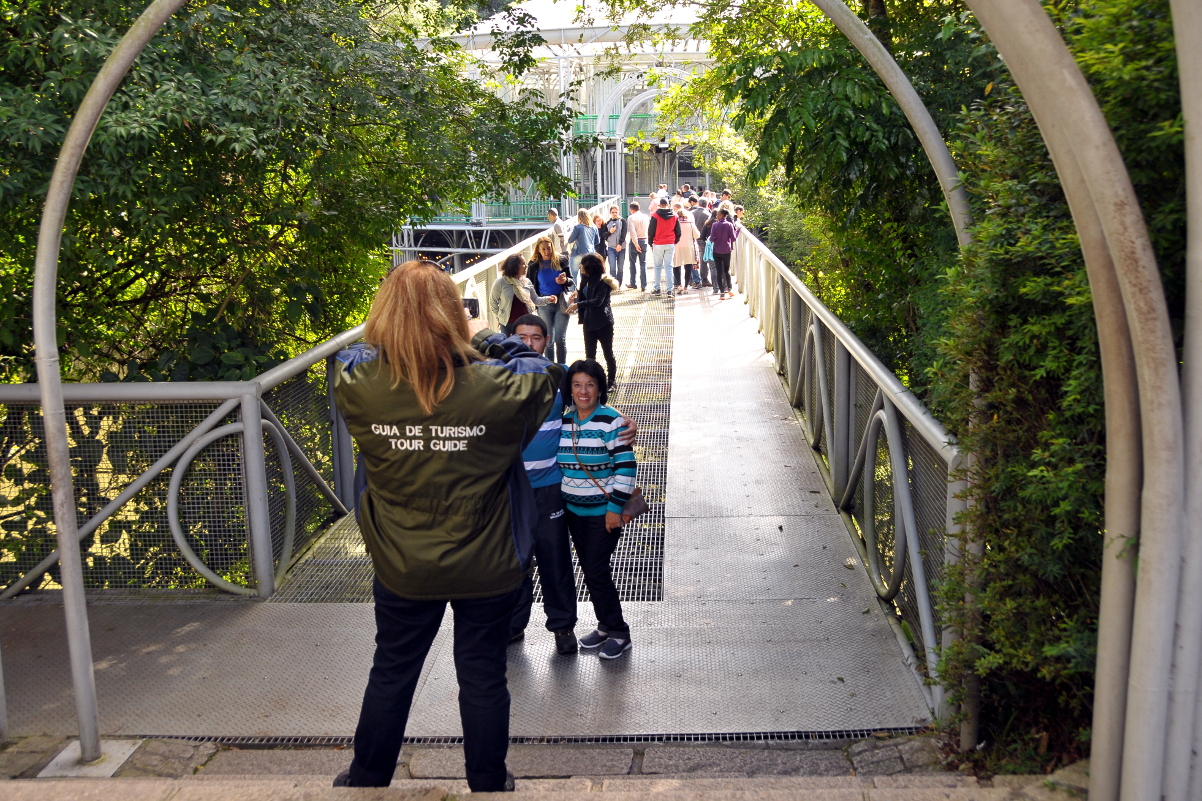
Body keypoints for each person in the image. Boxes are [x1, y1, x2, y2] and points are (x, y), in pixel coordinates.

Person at [331, 260, 563, 792]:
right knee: (482, 674)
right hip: (488, 560)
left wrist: (400, 336)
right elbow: (541, 375)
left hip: (402, 563)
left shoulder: (361, 384)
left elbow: (354, 354)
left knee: (392, 670)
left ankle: (367, 777)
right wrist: (484, 338)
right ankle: (487, 781)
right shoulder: (496, 387)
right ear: (452, 316)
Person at [506, 315, 639, 649]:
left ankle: (565, 628)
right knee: (512, 562)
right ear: (509, 338)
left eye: (535, 338)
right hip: (510, 490)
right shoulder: (493, 378)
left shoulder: (559, 376)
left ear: (547, 341)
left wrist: (626, 425)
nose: (528, 344)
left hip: (552, 490)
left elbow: (589, 391)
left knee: (558, 562)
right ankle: (513, 625)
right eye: (521, 337)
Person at [558, 359, 637, 660]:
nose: (583, 390)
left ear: (600, 388)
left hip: (603, 514)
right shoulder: (565, 421)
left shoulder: (610, 421)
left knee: (596, 571)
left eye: (590, 384)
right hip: (573, 512)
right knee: (592, 572)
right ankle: (605, 626)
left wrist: (614, 508)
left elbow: (626, 467)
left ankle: (619, 631)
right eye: (577, 384)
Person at [568, 253, 619, 388]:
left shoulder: (603, 281)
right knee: (590, 355)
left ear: (590, 267)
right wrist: (576, 295)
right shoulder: (585, 279)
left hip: (603, 322)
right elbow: (584, 293)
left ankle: (612, 381)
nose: (581, 268)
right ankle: (592, 380)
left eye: (583, 266)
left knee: (607, 351)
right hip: (588, 322)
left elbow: (598, 301)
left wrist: (578, 304)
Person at [526, 236, 573, 364]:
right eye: (544, 249)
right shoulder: (533, 265)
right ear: (538, 251)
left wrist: (565, 280)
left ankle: (563, 369)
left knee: (560, 339)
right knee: (549, 340)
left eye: (549, 248)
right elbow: (528, 286)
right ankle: (551, 369)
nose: (547, 251)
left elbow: (571, 281)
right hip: (544, 303)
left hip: (561, 302)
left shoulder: (561, 260)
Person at [490, 252, 552, 335]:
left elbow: (535, 300)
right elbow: (492, 302)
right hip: (508, 325)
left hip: (526, 324)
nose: (526, 266)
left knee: (525, 347)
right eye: (523, 264)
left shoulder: (527, 281)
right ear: (515, 267)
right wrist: (500, 318)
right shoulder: (501, 282)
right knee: (510, 347)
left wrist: (548, 299)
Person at [646, 197, 681, 296]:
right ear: (668, 205)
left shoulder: (655, 216)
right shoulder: (674, 215)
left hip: (658, 243)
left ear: (659, 205)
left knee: (657, 266)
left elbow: (651, 231)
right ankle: (669, 290)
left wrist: (650, 243)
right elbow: (678, 231)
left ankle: (657, 289)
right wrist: (675, 241)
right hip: (670, 243)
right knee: (669, 267)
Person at [709, 208, 739, 299]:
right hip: (726, 250)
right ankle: (729, 289)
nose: (717, 215)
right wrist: (738, 231)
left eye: (718, 214)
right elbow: (733, 238)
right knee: (726, 270)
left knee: (719, 271)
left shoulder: (714, 225)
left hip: (716, 251)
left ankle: (722, 292)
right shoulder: (729, 225)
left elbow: (711, 239)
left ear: (722, 215)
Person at [672, 204, 698, 294]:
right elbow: (697, 235)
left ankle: (679, 285)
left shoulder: (675, 223)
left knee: (676, 266)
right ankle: (686, 286)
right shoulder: (690, 224)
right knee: (688, 267)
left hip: (677, 247)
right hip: (689, 247)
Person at [567, 208, 598, 280]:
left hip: (578, 253)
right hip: (590, 254)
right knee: (586, 276)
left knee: (573, 275)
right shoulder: (594, 227)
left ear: (579, 217)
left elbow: (570, 240)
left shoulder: (578, 227)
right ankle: (585, 291)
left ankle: (573, 290)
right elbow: (597, 241)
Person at [625, 201, 650, 291]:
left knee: (633, 262)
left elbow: (632, 231)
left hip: (635, 241)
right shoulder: (645, 217)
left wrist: (636, 244)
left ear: (631, 209)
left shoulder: (631, 218)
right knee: (643, 263)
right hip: (644, 239)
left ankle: (633, 283)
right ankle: (644, 285)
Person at [690, 197, 711, 288]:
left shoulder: (691, 213)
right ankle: (704, 279)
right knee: (703, 260)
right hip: (702, 240)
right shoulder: (707, 214)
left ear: (698, 204)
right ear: (706, 205)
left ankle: (692, 280)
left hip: (692, 239)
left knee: (692, 259)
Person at [604, 206, 628, 286]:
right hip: (611, 248)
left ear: (618, 212)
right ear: (610, 213)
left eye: (616, 212)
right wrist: (610, 232)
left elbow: (624, 233)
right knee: (612, 268)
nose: (614, 214)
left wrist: (620, 244)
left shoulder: (622, 221)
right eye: (613, 212)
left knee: (620, 268)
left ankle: (619, 284)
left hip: (621, 247)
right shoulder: (608, 223)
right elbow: (604, 235)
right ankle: (613, 285)